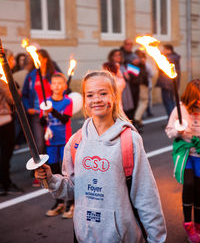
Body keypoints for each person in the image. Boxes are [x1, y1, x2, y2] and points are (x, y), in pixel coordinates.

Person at [35, 70, 166, 243]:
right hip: (83, 235)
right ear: (85, 100)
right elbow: (73, 189)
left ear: (114, 96)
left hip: (121, 237)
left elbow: (145, 195)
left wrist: (157, 238)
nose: (96, 99)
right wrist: (50, 179)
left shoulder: (130, 140)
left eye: (103, 93)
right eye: (90, 95)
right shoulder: (75, 142)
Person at [165, 79, 200, 243]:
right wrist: (178, 131)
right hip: (185, 152)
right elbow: (169, 131)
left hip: (199, 155)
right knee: (189, 184)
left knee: (199, 190)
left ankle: (198, 224)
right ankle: (188, 224)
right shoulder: (180, 109)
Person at [40, 73, 74, 218]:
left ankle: (71, 202)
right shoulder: (46, 101)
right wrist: (44, 116)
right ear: (50, 86)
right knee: (54, 171)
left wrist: (51, 110)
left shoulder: (68, 102)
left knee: (67, 171)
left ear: (65, 86)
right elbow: (42, 122)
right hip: (51, 142)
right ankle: (59, 201)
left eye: (60, 83)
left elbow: (65, 119)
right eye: (54, 83)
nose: (57, 86)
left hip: (65, 141)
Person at [22, 49, 56, 186]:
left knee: (54, 143)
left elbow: (63, 90)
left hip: (53, 115)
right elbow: (24, 94)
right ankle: (39, 172)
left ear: (46, 59)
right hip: (37, 114)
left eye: (41, 59)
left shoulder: (53, 74)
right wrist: (27, 107)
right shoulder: (31, 76)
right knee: (39, 144)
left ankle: (55, 170)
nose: (39, 61)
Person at [0, 77, 23, 195]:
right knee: (5, 153)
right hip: (4, 121)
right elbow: (13, 99)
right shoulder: (1, 83)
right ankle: (5, 183)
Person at [107, 49, 134, 120]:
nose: (118, 57)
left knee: (127, 108)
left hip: (125, 88)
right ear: (112, 57)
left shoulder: (124, 65)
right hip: (116, 89)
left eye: (119, 55)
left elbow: (131, 75)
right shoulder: (110, 66)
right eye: (116, 55)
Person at [156, 44, 181, 117]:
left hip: (167, 84)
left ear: (169, 50)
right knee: (171, 102)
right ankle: (174, 119)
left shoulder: (170, 58)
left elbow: (161, 67)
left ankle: (172, 120)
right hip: (171, 84)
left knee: (168, 102)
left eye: (164, 49)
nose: (163, 51)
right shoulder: (174, 57)